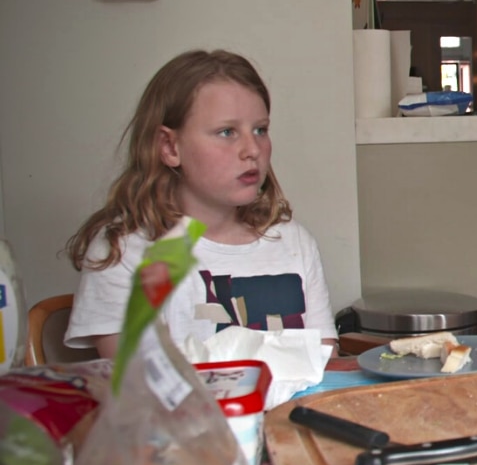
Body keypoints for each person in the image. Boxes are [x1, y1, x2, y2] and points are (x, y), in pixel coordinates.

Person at [65, 49, 338, 357]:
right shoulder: (123, 252)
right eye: (226, 132)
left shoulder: (294, 241)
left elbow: (324, 364)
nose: (252, 149)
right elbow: (136, 385)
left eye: (260, 129)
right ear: (169, 147)